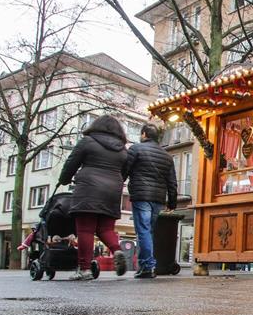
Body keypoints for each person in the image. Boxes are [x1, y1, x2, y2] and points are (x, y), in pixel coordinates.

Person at [58, 115, 129, 280]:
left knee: (85, 230)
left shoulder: (87, 142)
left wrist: (64, 179)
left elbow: (71, 162)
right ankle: (117, 250)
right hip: (112, 191)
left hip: (88, 188)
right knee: (106, 229)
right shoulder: (122, 149)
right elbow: (124, 171)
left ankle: (84, 269)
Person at [123, 123, 177, 278]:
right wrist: (172, 202)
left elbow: (125, 170)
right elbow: (172, 182)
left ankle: (148, 265)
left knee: (143, 231)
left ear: (144, 134)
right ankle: (145, 265)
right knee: (149, 231)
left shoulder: (135, 149)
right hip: (158, 199)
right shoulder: (166, 156)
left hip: (141, 196)